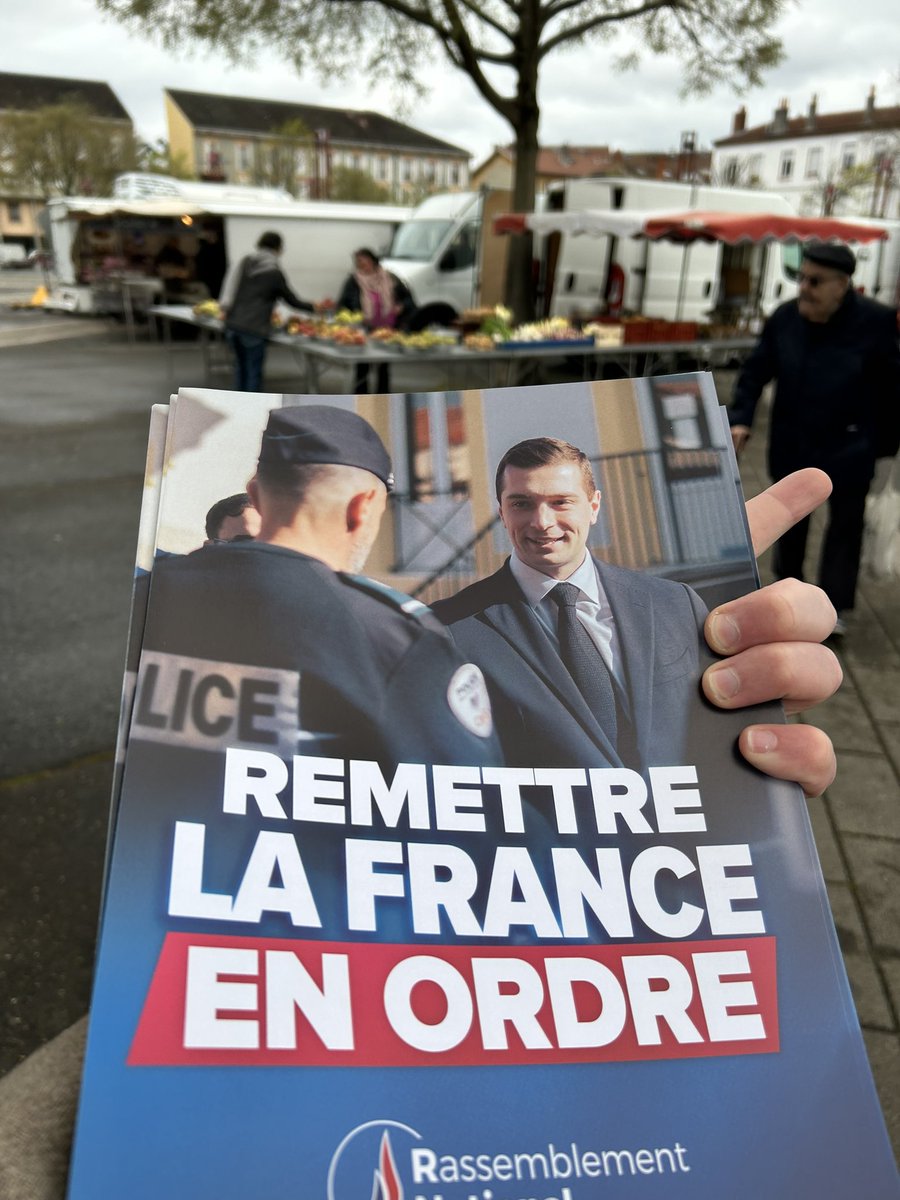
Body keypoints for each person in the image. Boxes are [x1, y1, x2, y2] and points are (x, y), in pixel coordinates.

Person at [434, 436, 840, 798]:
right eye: (522, 504)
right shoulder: (446, 628)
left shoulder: (673, 602)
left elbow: (706, 736)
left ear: (593, 506)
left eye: (561, 502)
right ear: (502, 513)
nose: (542, 523)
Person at [729, 240, 900, 635]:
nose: (804, 287)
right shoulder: (785, 318)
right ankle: (789, 595)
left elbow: (893, 388)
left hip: (851, 444)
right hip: (794, 439)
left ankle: (834, 607)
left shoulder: (875, 321)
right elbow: (756, 370)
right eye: (801, 278)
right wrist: (741, 418)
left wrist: (885, 446)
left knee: (845, 525)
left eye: (815, 281)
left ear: (842, 286)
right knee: (790, 519)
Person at [219, 231, 316, 393]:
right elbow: (292, 301)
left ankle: (237, 407)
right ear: (278, 248)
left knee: (240, 369)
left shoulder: (245, 262)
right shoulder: (274, 272)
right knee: (253, 372)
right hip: (254, 328)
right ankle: (251, 410)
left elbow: (229, 291)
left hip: (233, 325)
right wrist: (314, 308)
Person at [336, 247, 414, 394]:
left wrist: (401, 306)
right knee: (362, 367)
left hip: (387, 330)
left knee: (383, 367)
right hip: (364, 329)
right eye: (358, 262)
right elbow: (342, 304)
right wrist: (351, 318)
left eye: (364, 261)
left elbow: (409, 299)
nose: (361, 265)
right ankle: (361, 396)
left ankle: (382, 396)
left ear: (372, 261)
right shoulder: (353, 280)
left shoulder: (390, 278)